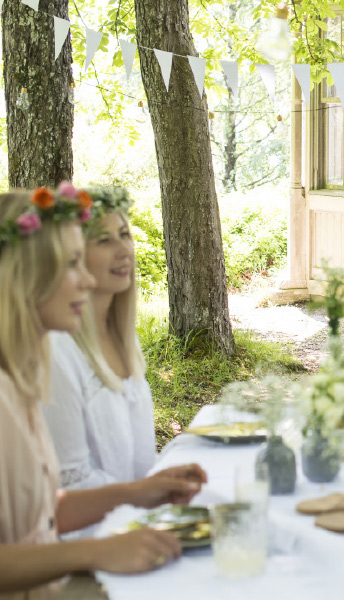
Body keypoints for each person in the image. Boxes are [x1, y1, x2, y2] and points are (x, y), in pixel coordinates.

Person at [0, 186, 206, 599]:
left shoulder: (18, 380)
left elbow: (39, 515)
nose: (88, 280)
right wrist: (96, 552)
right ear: (27, 274)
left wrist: (134, 493)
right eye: (72, 264)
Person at [42, 186, 155, 489]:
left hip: (141, 516)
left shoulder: (123, 334)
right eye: (104, 240)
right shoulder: (58, 350)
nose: (123, 250)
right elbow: (67, 484)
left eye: (125, 235)